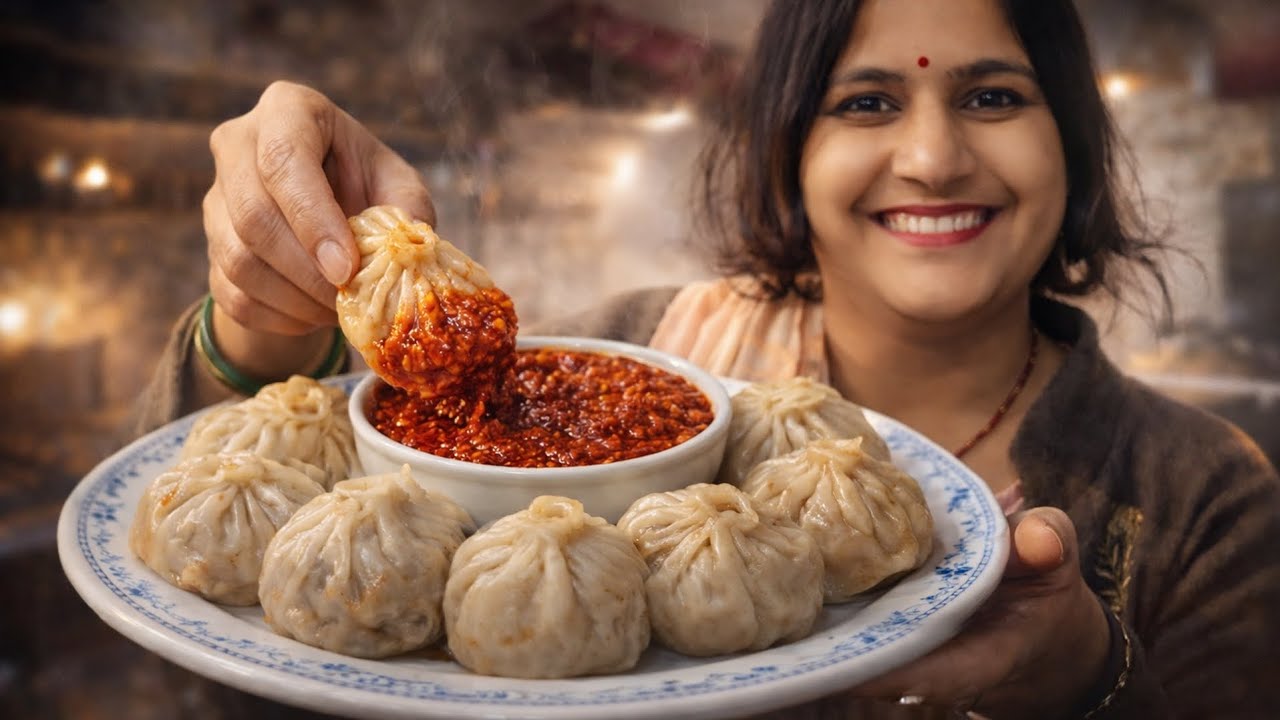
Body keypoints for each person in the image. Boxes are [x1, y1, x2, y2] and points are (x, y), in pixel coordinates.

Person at [135, 0, 1280, 717]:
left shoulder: (1204, 495)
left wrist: (1089, 684)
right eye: (866, 101)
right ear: (787, 155)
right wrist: (267, 311)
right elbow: (249, 599)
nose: (931, 157)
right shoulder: (638, 342)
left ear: (1070, 144)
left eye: (991, 96)